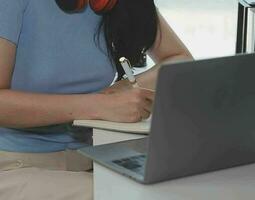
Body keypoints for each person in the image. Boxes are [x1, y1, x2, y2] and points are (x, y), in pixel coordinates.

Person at [0, 0, 193, 199]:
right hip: (14, 165)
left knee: (188, 184)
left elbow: (181, 59)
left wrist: (120, 91)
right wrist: (98, 105)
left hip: (91, 157)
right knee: (136, 195)